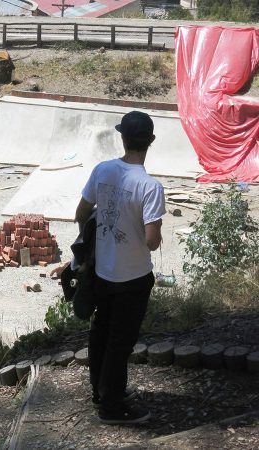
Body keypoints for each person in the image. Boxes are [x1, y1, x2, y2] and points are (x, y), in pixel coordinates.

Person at [75, 111, 165, 425]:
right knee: (120, 342)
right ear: (150, 142)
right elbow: (152, 242)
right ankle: (112, 407)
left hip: (103, 272)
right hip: (134, 277)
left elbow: (81, 212)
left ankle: (100, 391)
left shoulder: (102, 170)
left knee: (100, 332)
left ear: (122, 138)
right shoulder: (150, 187)